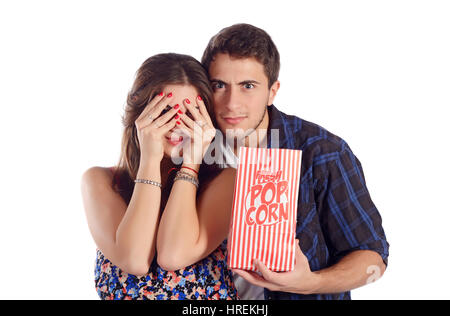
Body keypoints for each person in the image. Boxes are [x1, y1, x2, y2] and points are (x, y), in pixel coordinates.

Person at [166, 23, 389, 300]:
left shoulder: (322, 152)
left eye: (248, 86)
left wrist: (310, 282)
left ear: (273, 91)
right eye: (219, 85)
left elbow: (373, 260)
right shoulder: (188, 146)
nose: (232, 103)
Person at [80, 53, 238, 300]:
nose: (177, 124)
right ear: (140, 112)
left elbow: (173, 255)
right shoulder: (101, 182)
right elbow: (135, 260)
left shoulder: (225, 182)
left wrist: (192, 163)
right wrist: (150, 160)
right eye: (165, 111)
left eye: (191, 113)